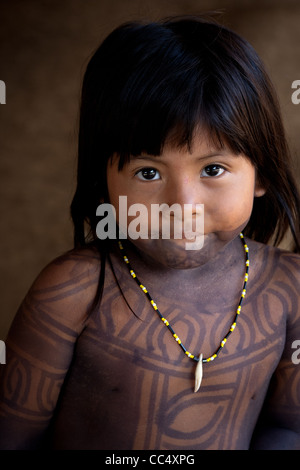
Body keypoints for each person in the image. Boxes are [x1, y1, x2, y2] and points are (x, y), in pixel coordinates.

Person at [1, 15, 300, 450]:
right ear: (103, 178)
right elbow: (13, 438)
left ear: (262, 174)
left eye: (213, 169)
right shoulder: (72, 292)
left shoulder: (289, 288)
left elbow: (289, 427)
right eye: (147, 172)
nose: (182, 204)